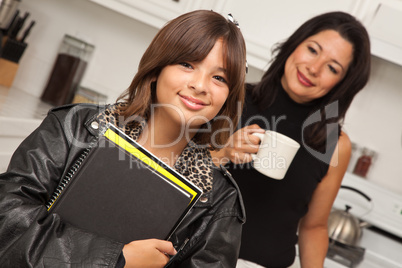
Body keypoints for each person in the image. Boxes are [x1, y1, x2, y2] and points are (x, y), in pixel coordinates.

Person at [0, 10, 247, 268]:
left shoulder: (219, 202)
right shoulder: (75, 127)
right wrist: (118, 258)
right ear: (156, 70)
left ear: (228, 96)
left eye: (219, 77)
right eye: (187, 64)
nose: (200, 85)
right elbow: (7, 221)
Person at [211, 11, 371, 268]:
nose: (314, 68)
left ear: (342, 83)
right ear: (295, 44)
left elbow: (314, 227)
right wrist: (222, 153)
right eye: (312, 50)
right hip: (196, 257)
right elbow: (177, 176)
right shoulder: (229, 98)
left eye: (332, 68)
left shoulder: (336, 144)